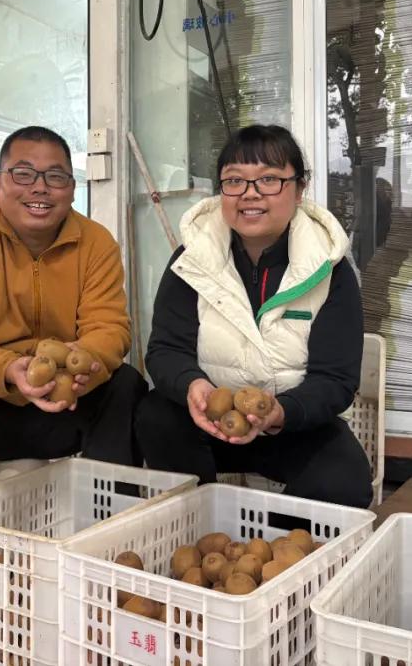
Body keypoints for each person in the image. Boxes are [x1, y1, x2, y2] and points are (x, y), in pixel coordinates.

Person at [0, 126, 144, 512]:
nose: (40, 188)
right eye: (24, 174)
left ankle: (110, 525)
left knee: (125, 384)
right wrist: (7, 370)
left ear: (72, 188)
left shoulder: (97, 243)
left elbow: (109, 326)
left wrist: (84, 365)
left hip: (68, 402)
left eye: (55, 176)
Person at [135, 124, 372, 508]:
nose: (250, 193)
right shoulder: (192, 260)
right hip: (208, 424)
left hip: (291, 426)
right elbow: (165, 350)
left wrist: (280, 412)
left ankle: (273, 540)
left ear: (300, 188)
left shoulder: (330, 269)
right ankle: (196, 522)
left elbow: (335, 379)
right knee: (155, 415)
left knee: (345, 480)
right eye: (234, 181)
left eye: (269, 180)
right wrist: (193, 385)